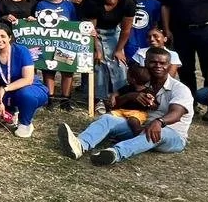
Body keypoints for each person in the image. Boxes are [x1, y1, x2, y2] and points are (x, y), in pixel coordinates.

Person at [58, 46, 192, 165]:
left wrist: (159, 122)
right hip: (141, 127)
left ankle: (114, 154)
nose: (158, 66)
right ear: (145, 63)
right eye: (153, 62)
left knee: (155, 131)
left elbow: (176, 113)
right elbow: (114, 107)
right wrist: (131, 96)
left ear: (169, 65)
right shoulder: (141, 83)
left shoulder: (179, 89)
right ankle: (80, 145)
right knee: (108, 119)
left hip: (172, 134)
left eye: (162, 63)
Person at [0, 23, 49, 139]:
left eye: (3, 36)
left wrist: (4, 88)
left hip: (29, 88)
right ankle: (12, 113)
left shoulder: (22, 51)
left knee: (25, 95)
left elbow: (28, 79)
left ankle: (25, 123)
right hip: (7, 92)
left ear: (10, 37)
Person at [80, 0, 136, 102]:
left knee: (119, 63)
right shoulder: (93, 3)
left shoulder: (128, 3)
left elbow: (126, 30)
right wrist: (97, 50)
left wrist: (119, 50)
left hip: (114, 32)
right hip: (94, 34)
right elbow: (91, 29)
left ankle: (119, 97)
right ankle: (99, 98)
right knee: (98, 63)